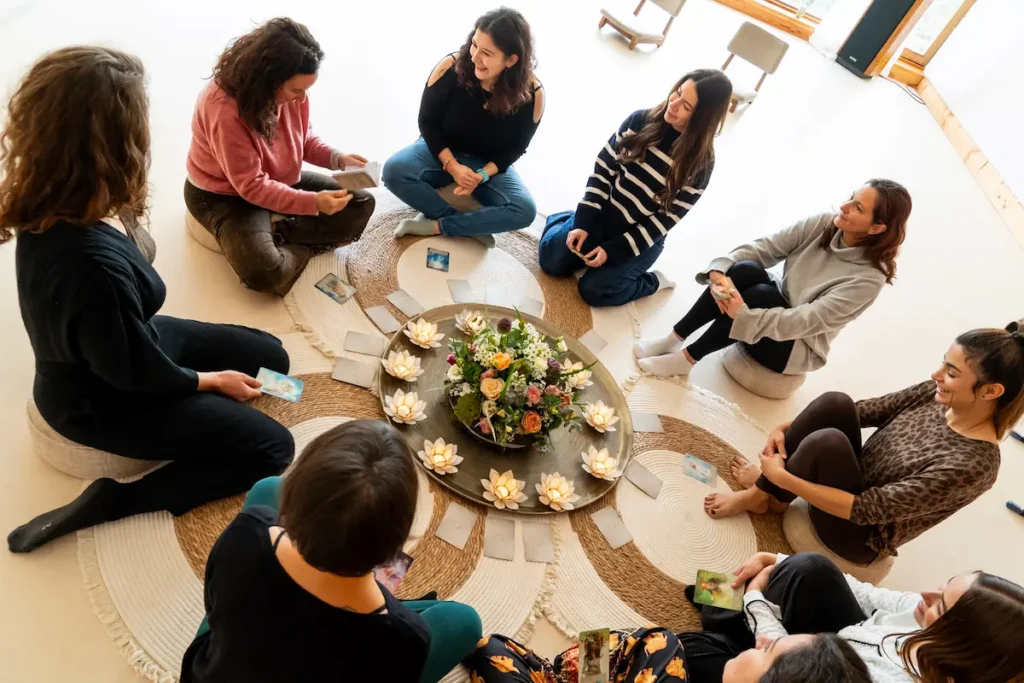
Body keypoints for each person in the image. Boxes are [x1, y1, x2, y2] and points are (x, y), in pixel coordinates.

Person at [1, 47, 294, 553]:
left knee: (273, 359)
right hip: (103, 397)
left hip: (128, 340)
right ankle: (116, 500)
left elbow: (126, 335)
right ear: (115, 142)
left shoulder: (55, 197)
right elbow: (134, 374)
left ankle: (207, 401)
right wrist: (209, 381)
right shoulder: (91, 269)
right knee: (273, 447)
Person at [180, 420, 483, 683]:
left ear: (299, 491)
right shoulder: (405, 637)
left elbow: (215, 603)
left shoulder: (247, 532)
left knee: (267, 488)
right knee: (464, 621)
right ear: (393, 546)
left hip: (218, 670)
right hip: (370, 629)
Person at [705, 321, 1024, 565]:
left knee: (828, 442)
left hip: (859, 533)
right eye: (943, 363)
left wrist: (782, 477)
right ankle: (768, 496)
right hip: (853, 479)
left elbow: (864, 509)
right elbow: (862, 411)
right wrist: (785, 427)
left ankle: (763, 494)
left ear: (990, 391)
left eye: (951, 372)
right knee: (835, 401)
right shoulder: (936, 394)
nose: (935, 374)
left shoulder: (973, 465)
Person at [634, 179, 912, 376]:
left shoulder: (868, 280)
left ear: (876, 228)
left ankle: (687, 359)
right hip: (775, 307)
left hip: (795, 346)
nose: (844, 206)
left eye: (858, 208)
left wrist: (744, 315)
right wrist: (720, 268)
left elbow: (807, 321)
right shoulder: (825, 223)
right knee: (744, 269)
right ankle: (674, 337)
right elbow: (766, 247)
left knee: (761, 295)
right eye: (851, 197)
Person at [185, 18, 374, 296]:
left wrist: (338, 158)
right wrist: (311, 203)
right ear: (267, 79)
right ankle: (294, 242)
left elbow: (303, 140)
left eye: (306, 90)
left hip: (275, 179)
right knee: (263, 272)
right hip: (224, 194)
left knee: (361, 204)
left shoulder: (294, 95)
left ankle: (280, 232)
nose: (302, 98)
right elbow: (251, 186)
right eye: (296, 90)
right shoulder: (223, 109)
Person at [538, 69, 732, 307]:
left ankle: (653, 282)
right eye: (678, 93)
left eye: (686, 106)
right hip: (604, 214)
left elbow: (663, 222)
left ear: (702, 119)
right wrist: (583, 222)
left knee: (594, 291)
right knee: (551, 261)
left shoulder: (700, 166)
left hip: (642, 236)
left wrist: (613, 250)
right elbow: (603, 171)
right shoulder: (640, 120)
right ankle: (567, 219)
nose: (674, 104)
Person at [708, 552, 1024, 683]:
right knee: (808, 568)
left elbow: (791, 667)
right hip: (829, 647)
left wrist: (755, 599)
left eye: (939, 607)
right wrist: (776, 558)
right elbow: (864, 592)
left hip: (811, 664)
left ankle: (731, 621)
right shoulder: (919, 613)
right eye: (944, 586)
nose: (926, 593)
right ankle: (734, 616)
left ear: (956, 647)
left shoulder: (889, 678)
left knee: (701, 650)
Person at [382, 7, 543, 247]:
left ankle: (439, 226)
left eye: (487, 53)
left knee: (524, 210)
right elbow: (427, 122)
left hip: (488, 165)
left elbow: (516, 148)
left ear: (511, 60)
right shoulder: (451, 66)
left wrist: (482, 175)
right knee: (393, 170)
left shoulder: (532, 94)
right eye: (474, 45)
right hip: (441, 151)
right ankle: (462, 224)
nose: (475, 56)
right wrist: (452, 166)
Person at [467, 626, 870, 683]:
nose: (763, 639)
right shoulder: (717, 653)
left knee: (484, 644)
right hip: (588, 667)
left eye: (770, 650)